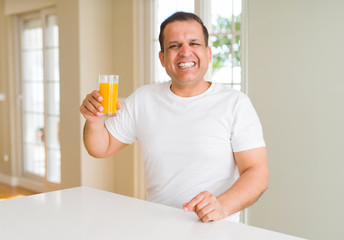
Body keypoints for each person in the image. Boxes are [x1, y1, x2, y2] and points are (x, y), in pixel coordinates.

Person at [80, 12, 268, 223]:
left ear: (208, 53)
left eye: (194, 43)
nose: (185, 52)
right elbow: (100, 147)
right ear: (162, 58)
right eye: (174, 46)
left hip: (216, 231)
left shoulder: (235, 104)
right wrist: (93, 120)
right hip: (158, 227)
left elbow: (257, 172)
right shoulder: (144, 99)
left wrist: (222, 206)